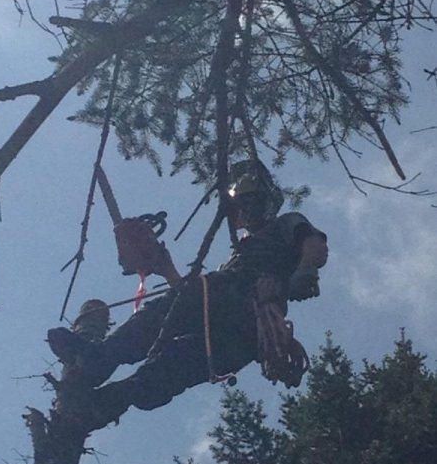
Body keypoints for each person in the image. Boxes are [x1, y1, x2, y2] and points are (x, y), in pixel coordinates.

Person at [48, 161, 328, 410]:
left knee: (164, 326)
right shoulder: (237, 258)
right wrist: (166, 269)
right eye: (241, 207)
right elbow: (193, 304)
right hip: (243, 332)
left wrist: (306, 271)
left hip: (247, 312)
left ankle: (98, 361)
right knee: (175, 363)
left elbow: (314, 244)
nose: (243, 213)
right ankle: (100, 406)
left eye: (248, 204)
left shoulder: (284, 224)